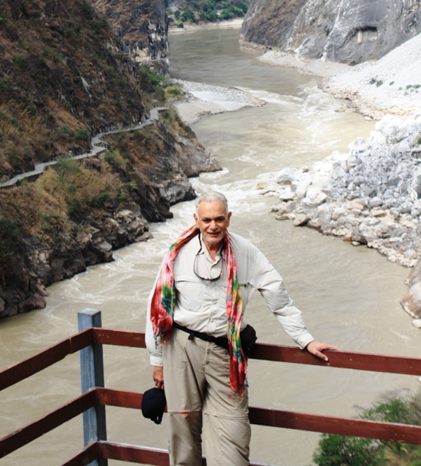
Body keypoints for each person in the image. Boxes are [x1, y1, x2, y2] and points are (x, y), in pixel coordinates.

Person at [145, 190, 338, 466]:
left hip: (227, 352)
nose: (213, 226)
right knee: (183, 433)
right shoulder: (177, 254)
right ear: (196, 220)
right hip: (182, 349)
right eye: (207, 219)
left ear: (229, 219)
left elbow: (279, 300)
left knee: (233, 436)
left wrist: (306, 340)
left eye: (219, 219)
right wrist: (156, 360)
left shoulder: (247, 253)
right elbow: (156, 307)